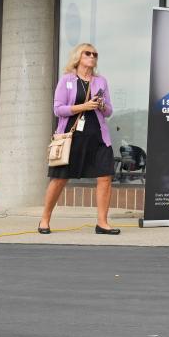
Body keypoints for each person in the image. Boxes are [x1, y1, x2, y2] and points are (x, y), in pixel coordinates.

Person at [41, 42, 119, 235]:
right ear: (78, 57)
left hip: (98, 136)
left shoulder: (101, 81)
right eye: (88, 53)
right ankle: (45, 219)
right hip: (71, 135)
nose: (92, 56)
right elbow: (58, 109)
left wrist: (100, 105)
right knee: (59, 178)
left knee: (105, 177)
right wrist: (83, 107)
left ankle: (102, 223)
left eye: (95, 54)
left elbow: (109, 111)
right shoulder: (67, 80)